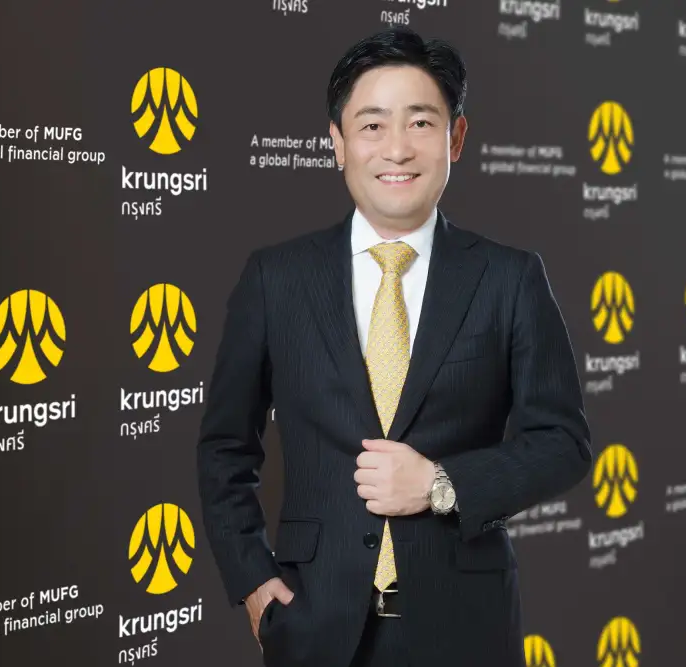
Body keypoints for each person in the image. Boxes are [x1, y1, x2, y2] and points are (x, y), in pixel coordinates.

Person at [195, 26, 592, 667]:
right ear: (337, 143)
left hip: (467, 629)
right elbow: (224, 448)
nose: (398, 149)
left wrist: (441, 484)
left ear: (455, 138)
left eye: (422, 123)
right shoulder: (277, 279)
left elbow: (563, 444)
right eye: (373, 125)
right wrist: (252, 581)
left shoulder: (510, 278)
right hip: (314, 625)